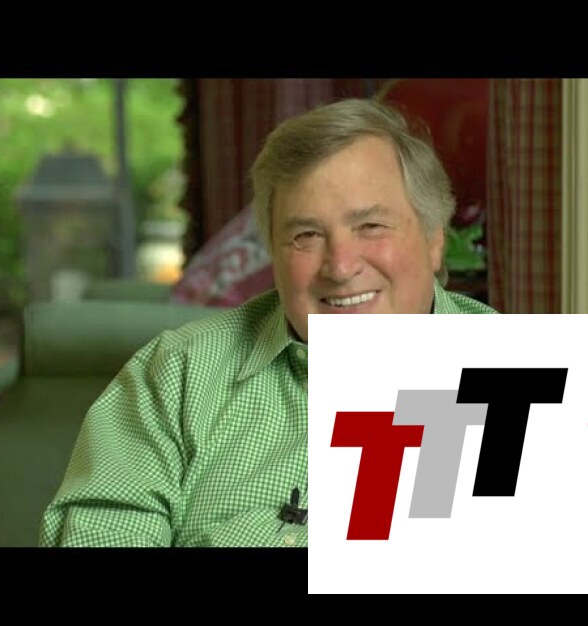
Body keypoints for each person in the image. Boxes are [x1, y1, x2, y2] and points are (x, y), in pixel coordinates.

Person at [38, 97, 498, 548]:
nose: (340, 266)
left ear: (434, 239)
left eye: (370, 227)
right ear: (273, 254)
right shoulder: (176, 375)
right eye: (306, 236)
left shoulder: (511, 371)